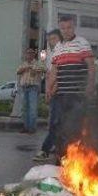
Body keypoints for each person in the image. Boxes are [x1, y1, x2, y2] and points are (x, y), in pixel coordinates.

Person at [47, 15, 95, 159]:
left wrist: (90, 86)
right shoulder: (58, 48)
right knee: (59, 126)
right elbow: (54, 71)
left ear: (73, 27)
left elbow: (91, 67)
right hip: (61, 94)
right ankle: (61, 157)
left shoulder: (82, 43)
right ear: (59, 29)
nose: (66, 31)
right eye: (63, 28)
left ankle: (76, 158)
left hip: (78, 95)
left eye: (69, 27)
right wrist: (49, 89)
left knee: (75, 127)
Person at [34, 29, 62, 162]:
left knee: (55, 122)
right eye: (50, 39)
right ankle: (58, 148)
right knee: (54, 122)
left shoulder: (62, 52)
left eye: (54, 39)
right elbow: (47, 73)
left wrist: (53, 90)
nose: (51, 42)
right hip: (51, 90)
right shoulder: (47, 53)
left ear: (60, 40)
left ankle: (45, 149)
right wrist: (47, 91)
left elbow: (60, 75)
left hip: (60, 91)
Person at [17, 48, 45, 134]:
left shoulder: (37, 63)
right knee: (25, 108)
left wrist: (35, 70)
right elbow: (18, 71)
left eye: (31, 53)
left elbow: (44, 70)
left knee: (32, 108)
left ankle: (32, 128)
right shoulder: (24, 64)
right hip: (24, 87)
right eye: (28, 53)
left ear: (33, 55)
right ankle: (26, 127)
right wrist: (26, 68)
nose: (29, 55)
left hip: (33, 87)